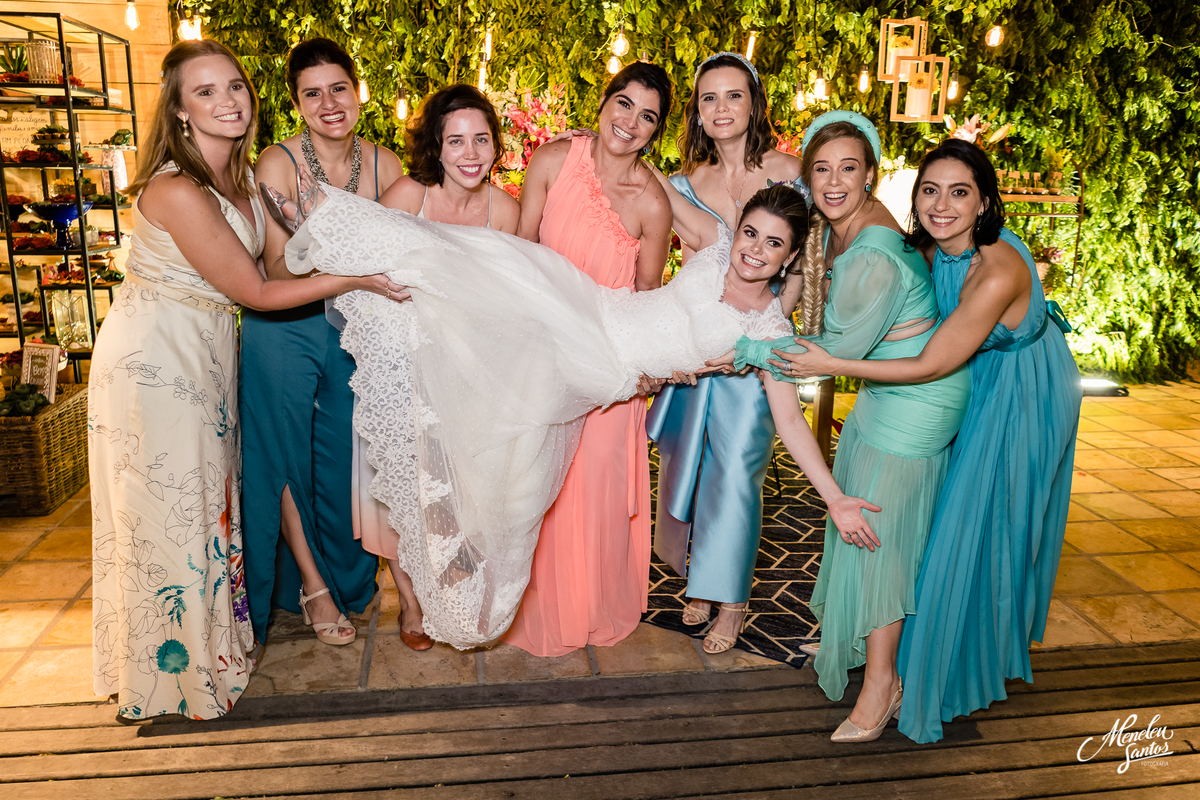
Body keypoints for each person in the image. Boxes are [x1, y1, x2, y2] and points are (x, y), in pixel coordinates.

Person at [268, 173, 883, 651]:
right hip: (594, 306)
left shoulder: (767, 330)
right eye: (751, 232)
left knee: (500, 402)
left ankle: (469, 575)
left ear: (790, 257)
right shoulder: (715, 246)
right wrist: (595, 147)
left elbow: (792, 422)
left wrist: (832, 495)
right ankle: (328, 223)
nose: (754, 249)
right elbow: (656, 180)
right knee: (487, 258)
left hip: (603, 366)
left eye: (773, 243)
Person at [88, 40, 404, 720]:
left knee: (205, 505)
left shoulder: (233, 179)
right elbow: (258, 289)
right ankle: (170, 673)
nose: (227, 100)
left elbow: (280, 260)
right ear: (177, 109)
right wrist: (354, 276)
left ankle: (205, 649)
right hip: (157, 360)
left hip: (203, 348)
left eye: (234, 86)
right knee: (170, 513)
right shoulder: (176, 187)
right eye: (205, 92)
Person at [759, 138, 1081, 743]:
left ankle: (948, 669)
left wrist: (830, 363)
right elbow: (852, 217)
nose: (941, 204)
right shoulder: (929, 245)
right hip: (965, 375)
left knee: (986, 523)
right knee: (940, 521)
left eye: (959, 192)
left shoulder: (998, 268)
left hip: (1024, 387)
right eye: (929, 190)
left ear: (984, 201)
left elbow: (931, 364)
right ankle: (907, 658)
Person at [730, 111, 970, 742]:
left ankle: (882, 684)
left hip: (917, 403)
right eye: (822, 168)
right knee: (861, 518)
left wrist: (746, 348)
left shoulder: (871, 255)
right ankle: (870, 654)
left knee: (878, 539)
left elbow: (826, 350)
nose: (834, 181)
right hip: (886, 391)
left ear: (871, 174)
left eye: (849, 168)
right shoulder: (844, 230)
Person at [499, 63, 674, 657]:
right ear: (603, 102)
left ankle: (588, 605)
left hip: (606, 370)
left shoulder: (653, 203)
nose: (630, 122)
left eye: (646, 116)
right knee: (538, 487)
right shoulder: (552, 161)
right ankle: (539, 607)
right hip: (541, 355)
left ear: (656, 130)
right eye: (623, 104)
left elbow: (647, 299)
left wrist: (635, 371)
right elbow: (521, 255)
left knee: (591, 488)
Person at [242, 38, 403, 649]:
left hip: (353, 329)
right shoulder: (277, 164)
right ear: (297, 104)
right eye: (313, 93)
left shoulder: (384, 164)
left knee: (344, 461)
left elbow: (403, 250)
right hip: (284, 326)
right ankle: (312, 587)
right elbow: (277, 271)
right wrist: (347, 254)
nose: (329, 103)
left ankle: (350, 578)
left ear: (357, 91)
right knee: (283, 454)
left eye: (339, 88)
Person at [646, 52, 805, 654]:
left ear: (753, 102)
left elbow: (800, 264)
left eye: (733, 96)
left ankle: (731, 602)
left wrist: (768, 330)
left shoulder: (788, 170)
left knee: (736, 475)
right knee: (688, 469)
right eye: (708, 99)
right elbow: (690, 258)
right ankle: (699, 579)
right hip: (701, 348)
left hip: (755, 349)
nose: (720, 109)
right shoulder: (687, 182)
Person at [358, 84, 519, 650]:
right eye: (456, 141)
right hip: (405, 359)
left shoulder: (506, 208)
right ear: (437, 146)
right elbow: (367, 274)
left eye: (481, 139)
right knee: (405, 482)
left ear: (496, 145)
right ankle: (410, 598)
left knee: (458, 489)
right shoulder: (409, 195)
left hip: (472, 367)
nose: (470, 152)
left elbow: (514, 298)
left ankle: (456, 591)